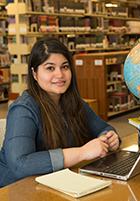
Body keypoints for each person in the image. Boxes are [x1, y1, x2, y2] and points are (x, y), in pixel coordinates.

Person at [0, 37, 120, 187]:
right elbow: (20, 164)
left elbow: (103, 128)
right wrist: (81, 153)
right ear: (35, 73)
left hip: (57, 182)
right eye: (50, 68)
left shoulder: (73, 102)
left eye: (65, 67)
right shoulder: (23, 109)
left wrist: (110, 137)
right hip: (18, 189)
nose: (60, 75)